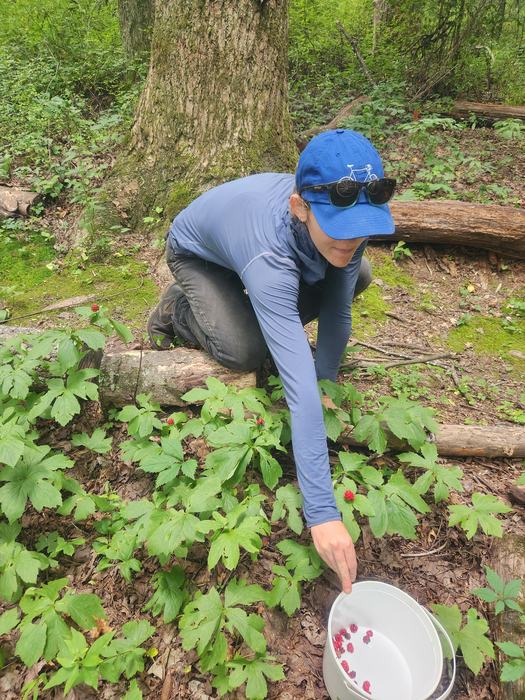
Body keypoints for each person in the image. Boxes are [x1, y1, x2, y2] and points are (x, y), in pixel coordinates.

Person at [148, 129, 396, 593]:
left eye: (363, 226)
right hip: (199, 255)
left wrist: (326, 386)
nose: (357, 235)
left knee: (355, 271)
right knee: (245, 352)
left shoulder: (348, 219)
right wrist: (322, 512)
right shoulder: (271, 255)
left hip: (265, 255)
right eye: (342, 228)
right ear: (300, 208)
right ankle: (179, 309)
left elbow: (337, 313)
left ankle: (249, 306)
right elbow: (295, 388)